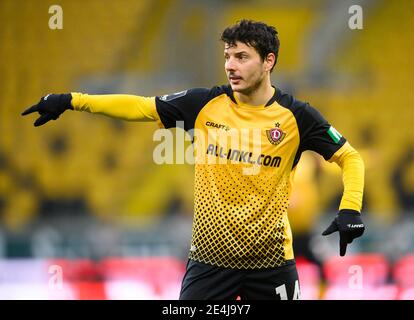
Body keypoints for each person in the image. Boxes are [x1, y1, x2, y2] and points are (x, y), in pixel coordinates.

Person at [21, 20, 365, 300]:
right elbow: (142, 107)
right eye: (228, 56)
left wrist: (349, 208)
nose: (231, 65)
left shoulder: (297, 116)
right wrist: (71, 100)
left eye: (242, 57)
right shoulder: (204, 104)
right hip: (210, 263)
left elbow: (350, 158)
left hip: (272, 262)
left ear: (268, 61)